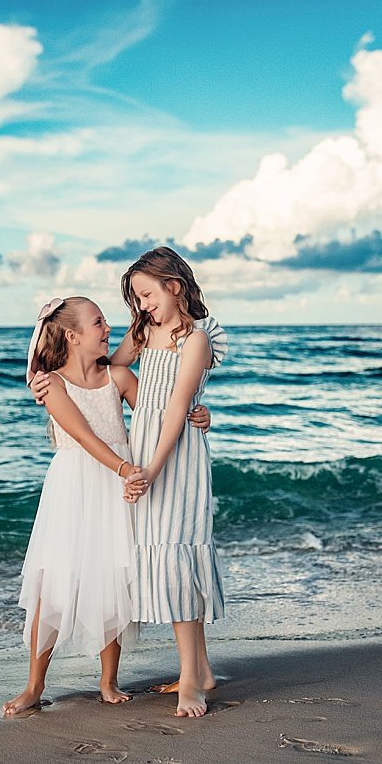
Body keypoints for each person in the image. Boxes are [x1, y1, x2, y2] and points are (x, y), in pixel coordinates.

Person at [4, 296, 145, 717]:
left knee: (111, 578)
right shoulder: (52, 385)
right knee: (54, 582)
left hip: (115, 487)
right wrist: (125, 468)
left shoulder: (119, 376)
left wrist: (197, 415)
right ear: (72, 335)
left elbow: (158, 416)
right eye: (99, 322)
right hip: (75, 487)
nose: (107, 328)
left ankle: (108, 680)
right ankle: (34, 685)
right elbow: (83, 436)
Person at [117, 247, 227, 719]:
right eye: (137, 298)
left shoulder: (196, 340)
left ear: (174, 287)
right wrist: (50, 372)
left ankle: (191, 683)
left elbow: (179, 408)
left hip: (176, 456)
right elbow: (110, 367)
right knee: (168, 554)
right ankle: (201, 670)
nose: (143, 305)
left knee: (178, 556)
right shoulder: (144, 330)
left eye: (148, 295)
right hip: (148, 448)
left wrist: (154, 468)